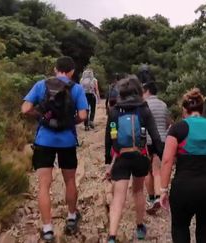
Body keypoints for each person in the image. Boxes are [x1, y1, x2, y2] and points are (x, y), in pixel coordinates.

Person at [21, 56, 88, 241]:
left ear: (55, 68)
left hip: (44, 140)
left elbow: (25, 108)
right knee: (70, 180)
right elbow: (83, 115)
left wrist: (42, 118)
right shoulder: (77, 88)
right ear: (72, 71)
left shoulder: (41, 85)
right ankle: (72, 217)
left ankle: (48, 228)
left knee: (44, 185)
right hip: (67, 141)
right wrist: (69, 122)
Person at [159, 88, 206, 243]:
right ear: (202, 109)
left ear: (184, 110)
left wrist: (163, 190)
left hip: (184, 188)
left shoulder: (177, 129)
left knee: (180, 229)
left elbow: (166, 161)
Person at [104, 76, 164, 243]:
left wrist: (107, 163)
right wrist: (164, 156)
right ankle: (139, 228)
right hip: (140, 156)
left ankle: (112, 236)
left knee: (118, 197)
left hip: (121, 157)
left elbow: (108, 139)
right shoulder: (144, 109)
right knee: (137, 191)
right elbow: (156, 137)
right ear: (138, 91)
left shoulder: (114, 110)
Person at [142, 82, 171, 214]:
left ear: (147, 91)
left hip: (147, 140)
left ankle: (151, 197)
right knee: (157, 170)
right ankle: (159, 197)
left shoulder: (144, 105)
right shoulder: (163, 104)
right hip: (162, 140)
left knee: (147, 171)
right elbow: (168, 123)